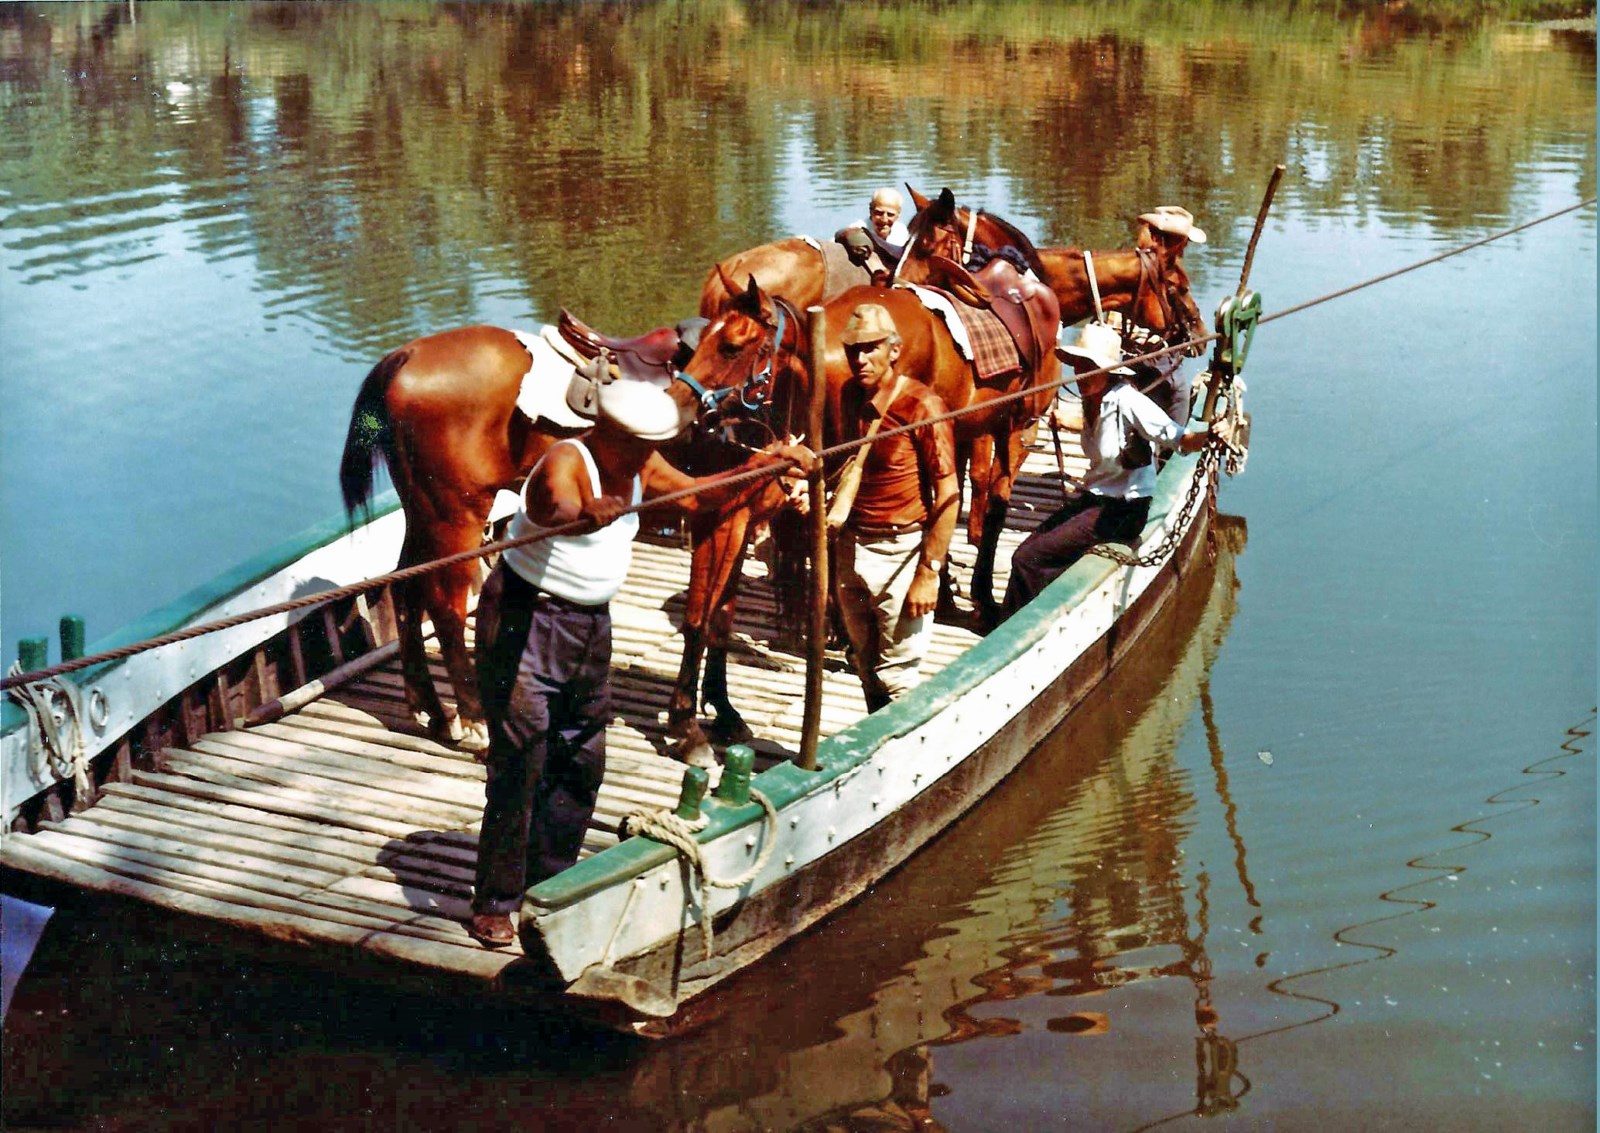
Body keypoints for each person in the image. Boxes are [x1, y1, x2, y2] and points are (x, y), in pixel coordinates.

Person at [468, 376, 810, 948]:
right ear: (607, 430)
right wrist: (586, 511)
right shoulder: (565, 461)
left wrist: (769, 464)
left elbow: (701, 496)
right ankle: (496, 900)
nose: (644, 453)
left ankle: (554, 882)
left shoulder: (644, 466)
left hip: (589, 625)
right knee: (522, 757)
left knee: (581, 755)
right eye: (635, 441)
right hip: (526, 619)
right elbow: (552, 505)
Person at [997, 321, 1221, 623]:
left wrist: (1211, 435)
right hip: (1094, 499)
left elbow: (1179, 437)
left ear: (1108, 370)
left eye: (1089, 366)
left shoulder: (1129, 401)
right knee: (1029, 550)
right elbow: (1104, 432)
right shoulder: (1093, 402)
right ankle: (1016, 618)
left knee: (1029, 559)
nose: (1081, 375)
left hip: (1123, 509)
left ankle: (1017, 626)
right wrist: (1065, 420)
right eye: (1078, 366)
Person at [829, 304, 958, 712]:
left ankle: (908, 765)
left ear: (895, 350)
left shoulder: (923, 406)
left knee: (898, 676)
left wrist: (928, 573)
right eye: (853, 350)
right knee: (864, 665)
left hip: (899, 554)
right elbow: (845, 463)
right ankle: (874, 750)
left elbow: (949, 493)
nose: (860, 359)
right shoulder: (850, 395)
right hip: (851, 547)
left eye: (870, 348)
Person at [1130, 205, 1208, 429]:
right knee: (1178, 398)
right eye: (1182, 242)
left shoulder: (1161, 272)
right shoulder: (1153, 275)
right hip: (1148, 369)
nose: (1184, 249)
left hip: (1151, 365)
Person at [845, 187, 911, 246]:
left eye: (890, 214)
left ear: (898, 214)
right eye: (879, 213)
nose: (884, 220)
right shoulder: (855, 231)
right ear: (870, 210)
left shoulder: (902, 233)